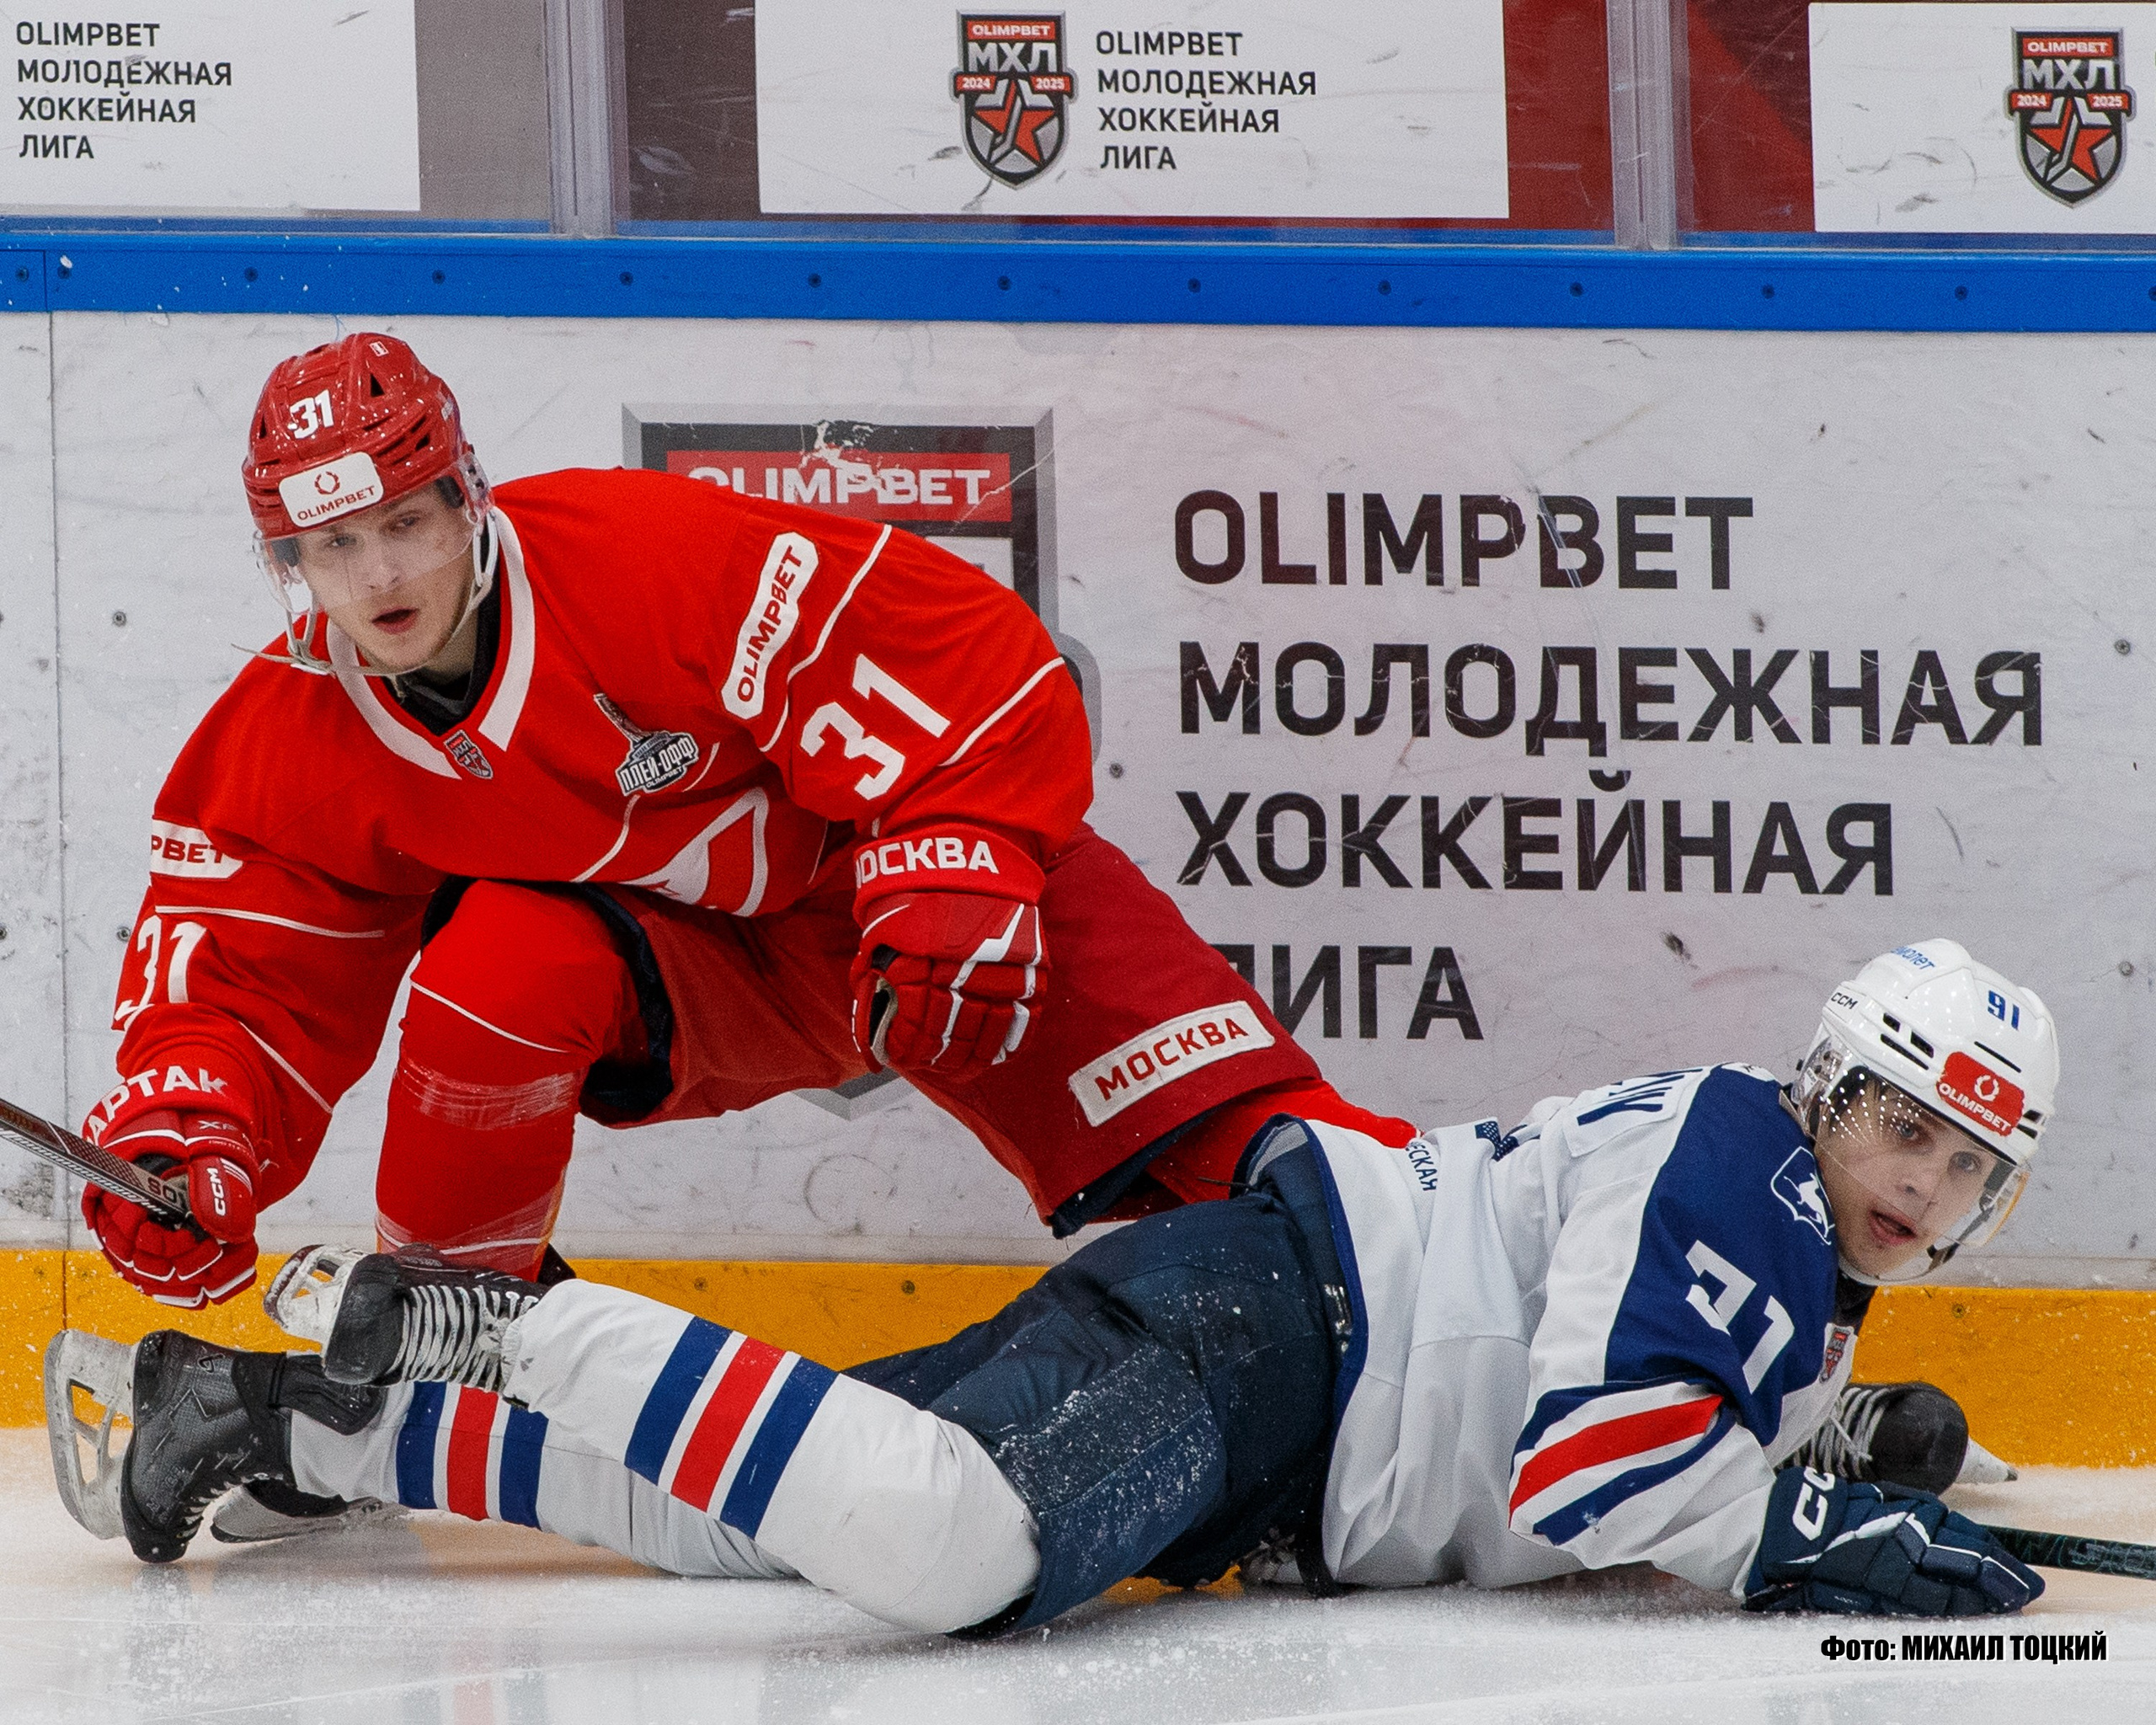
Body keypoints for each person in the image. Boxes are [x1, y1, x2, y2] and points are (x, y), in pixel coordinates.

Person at [57, 940, 2053, 1625]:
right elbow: (1593, 1461)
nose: (1917, 1183)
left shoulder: (1778, 1249)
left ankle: (281, 1419)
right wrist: (1799, 1525)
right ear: (1827, 1089)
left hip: (1262, 1358)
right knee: (946, 1551)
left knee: (771, 1517)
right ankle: (513, 1316)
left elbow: (1632, 1362)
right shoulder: (1744, 1165)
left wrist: (1858, 1442)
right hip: (1270, 1340)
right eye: (1901, 1128)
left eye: (1962, 1169)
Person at [81, 329, 1406, 1323]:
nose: (380, 577)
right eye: (338, 548)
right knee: (499, 965)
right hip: (704, 983)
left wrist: (963, 855)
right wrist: (192, 1129)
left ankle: (1423, 1273)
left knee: (1290, 1165)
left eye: (409, 524)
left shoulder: (636, 555)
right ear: (289, 567)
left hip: (885, 900)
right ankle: (458, 1330)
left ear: (467, 495)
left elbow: (959, 649)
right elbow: (239, 985)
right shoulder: (290, 732)